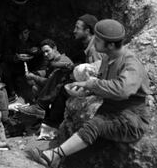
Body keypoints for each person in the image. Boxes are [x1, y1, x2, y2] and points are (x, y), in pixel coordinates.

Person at [28, 19, 150, 167]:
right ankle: (59, 159)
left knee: (95, 125)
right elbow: (103, 85)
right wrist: (84, 89)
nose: (94, 42)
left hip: (131, 119)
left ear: (110, 44)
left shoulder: (130, 63)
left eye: (98, 39)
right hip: (109, 112)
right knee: (82, 149)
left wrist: (92, 84)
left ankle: (53, 156)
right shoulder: (107, 58)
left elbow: (122, 90)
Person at [18, 39, 74, 119]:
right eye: (44, 52)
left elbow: (49, 83)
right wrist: (37, 73)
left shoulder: (62, 62)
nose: (45, 54)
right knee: (34, 84)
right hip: (54, 91)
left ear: (55, 48)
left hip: (60, 94)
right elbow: (48, 72)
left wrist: (34, 77)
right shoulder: (54, 60)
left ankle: (40, 108)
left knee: (36, 87)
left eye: (47, 51)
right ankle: (41, 112)